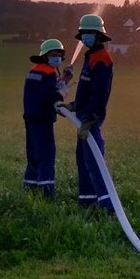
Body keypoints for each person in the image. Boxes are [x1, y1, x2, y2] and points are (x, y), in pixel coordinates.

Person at [72, 13, 115, 211]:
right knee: (83, 161)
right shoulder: (91, 57)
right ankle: (87, 202)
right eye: (84, 33)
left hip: (90, 120)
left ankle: (107, 206)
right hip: (83, 117)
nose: (85, 37)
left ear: (99, 35)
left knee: (94, 162)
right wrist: (74, 105)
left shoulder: (102, 59)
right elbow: (86, 90)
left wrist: (90, 119)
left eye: (89, 33)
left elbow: (99, 92)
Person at [23, 38, 68, 198]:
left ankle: (30, 189)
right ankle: (46, 192)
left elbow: (42, 90)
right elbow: (48, 97)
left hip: (31, 118)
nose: (57, 58)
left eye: (59, 55)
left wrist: (65, 79)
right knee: (46, 155)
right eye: (53, 55)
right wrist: (61, 93)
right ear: (45, 56)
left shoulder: (34, 70)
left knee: (33, 155)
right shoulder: (49, 73)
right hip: (42, 120)